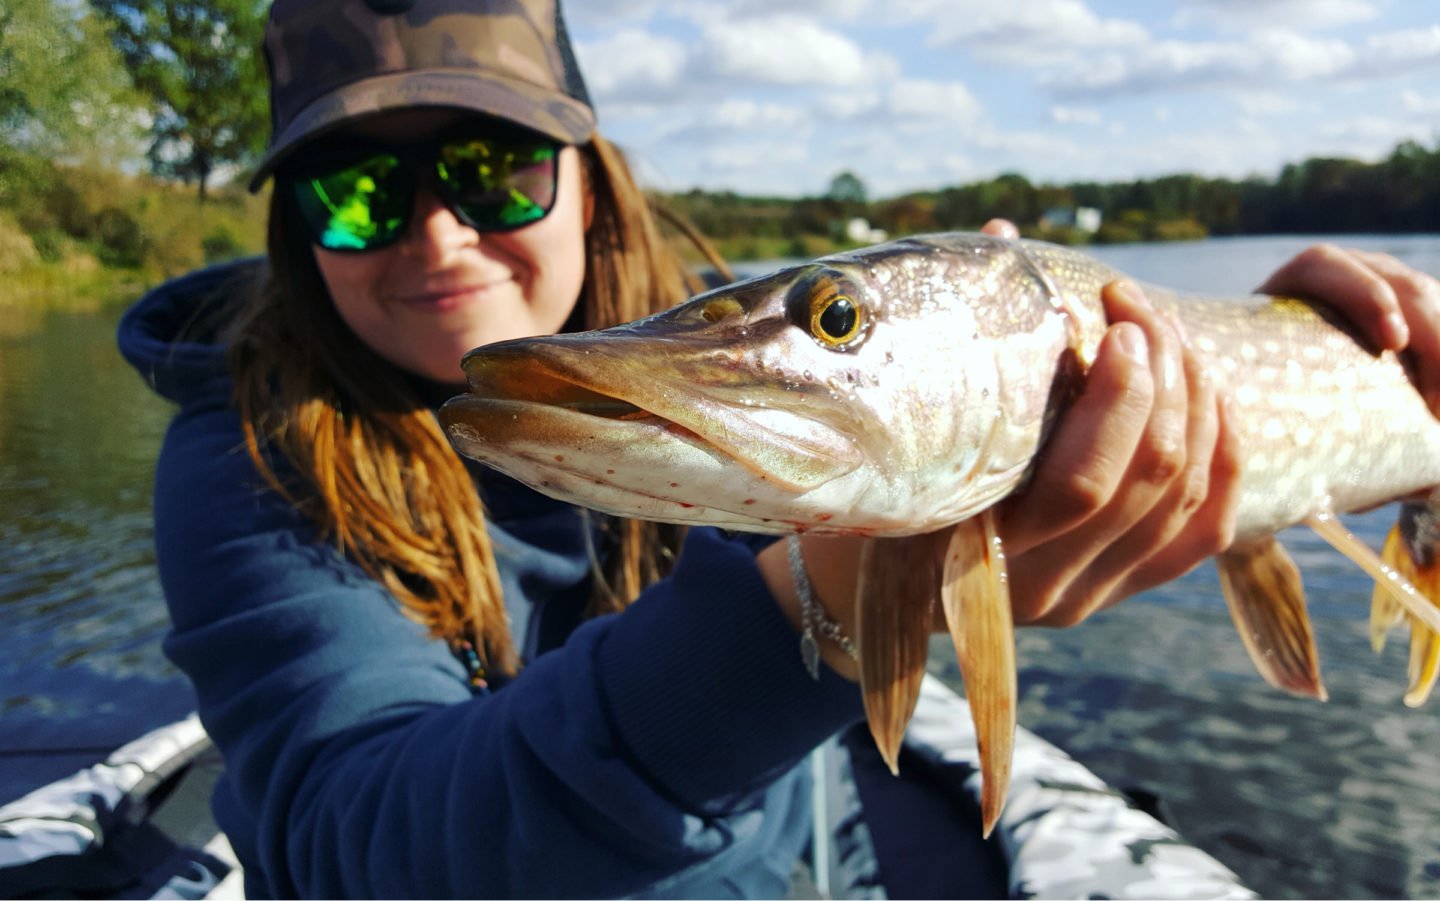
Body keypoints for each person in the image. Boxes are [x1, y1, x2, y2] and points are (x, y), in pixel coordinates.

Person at [116, 0, 1440, 896]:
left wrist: (1314, 333)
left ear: (587, 170)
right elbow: (368, 846)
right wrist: (828, 603)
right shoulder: (251, 458)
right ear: (296, 227)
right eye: (354, 193)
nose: (439, 237)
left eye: (492, 168)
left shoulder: (745, 368)